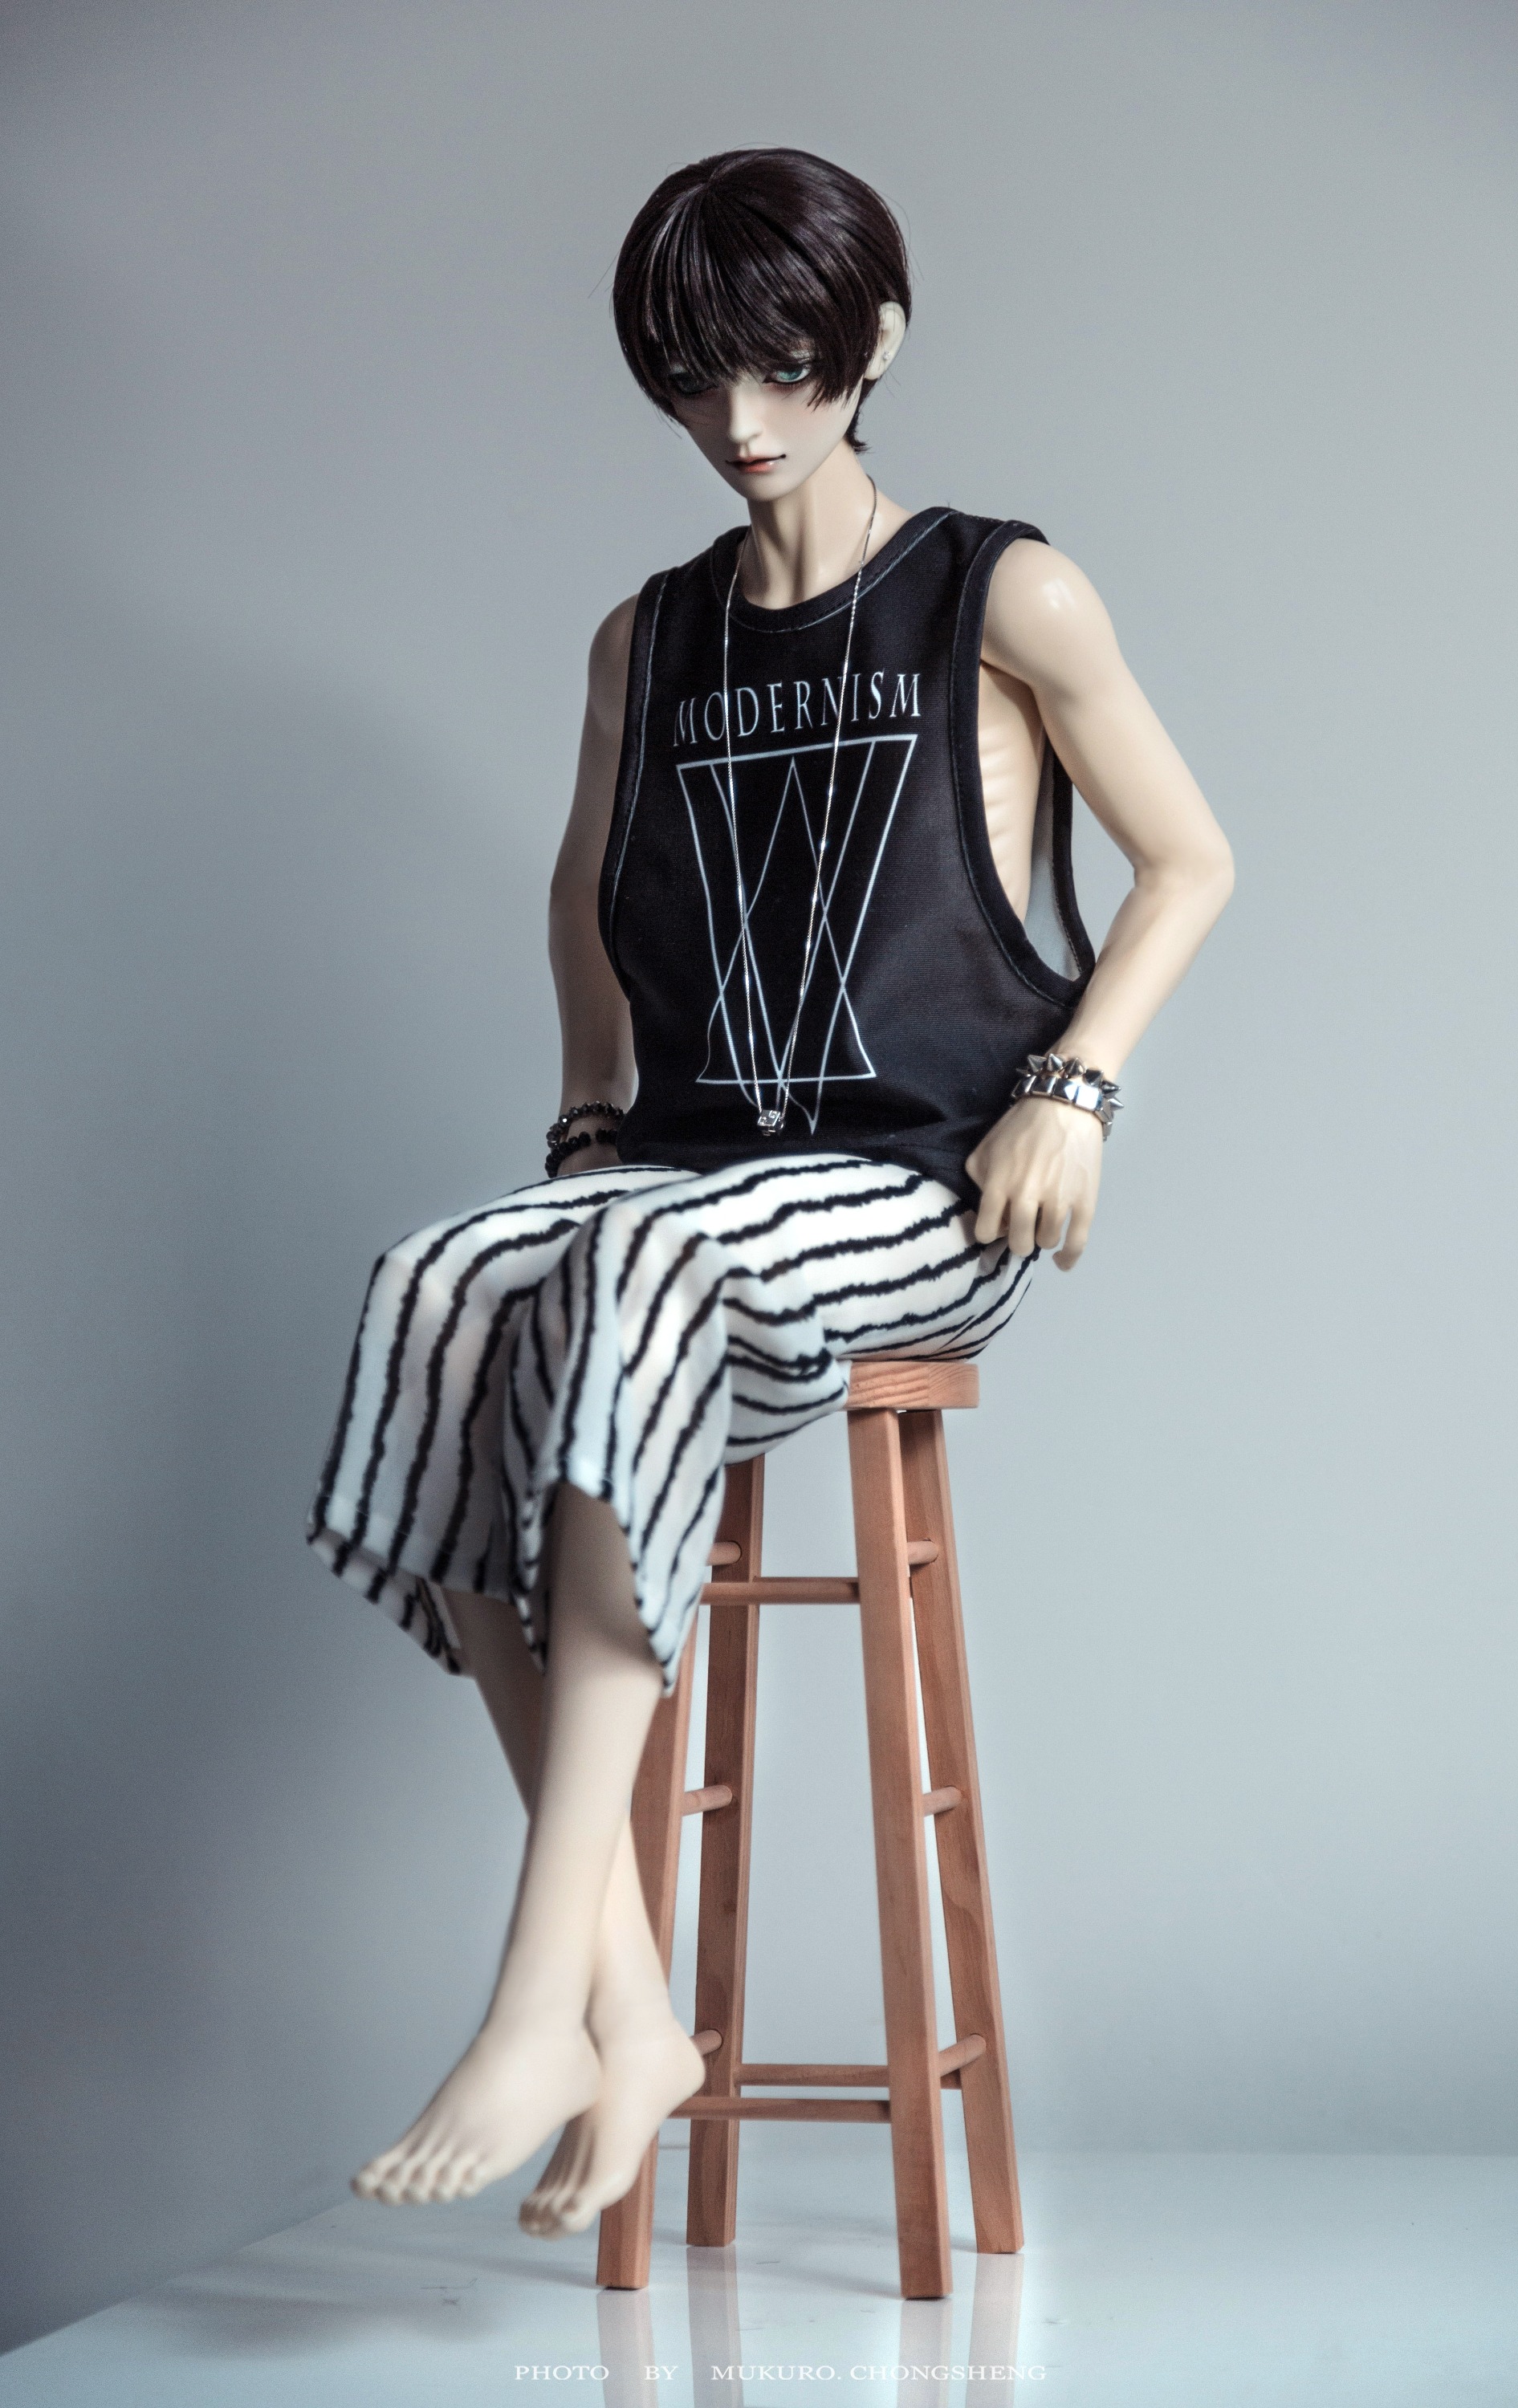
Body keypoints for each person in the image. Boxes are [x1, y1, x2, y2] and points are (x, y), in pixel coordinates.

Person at [307, 146, 1234, 2243]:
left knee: (629, 1263)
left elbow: (1191, 857)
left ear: (871, 343)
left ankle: (540, 1999)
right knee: (438, 1285)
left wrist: (1077, 1089)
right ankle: (630, 2005)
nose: (739, 419)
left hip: (929, 1183)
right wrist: (583, 1129)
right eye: (695, 377)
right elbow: (580, 899)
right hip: (689, 1181)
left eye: (783, 369)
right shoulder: (649, 639)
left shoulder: (1001, 591)